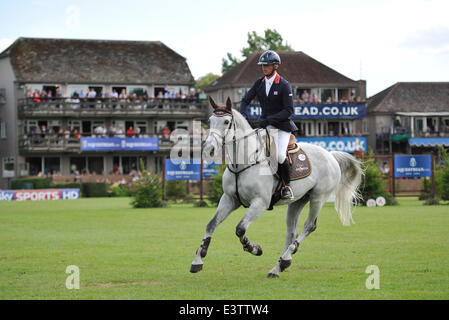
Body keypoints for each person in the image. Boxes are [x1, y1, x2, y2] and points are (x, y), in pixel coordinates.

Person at [240, 50, 298, 200]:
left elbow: (289, 110)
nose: (264, 68)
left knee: (278, 156)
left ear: (275, 66)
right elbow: (245, 100)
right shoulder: (259, 83)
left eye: (267, 65)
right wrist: (243, 114)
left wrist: (269, 120)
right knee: (253, 151)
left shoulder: (284, 85)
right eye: (262, 65)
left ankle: (286, 187)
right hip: (265, 126)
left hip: (282, 127)